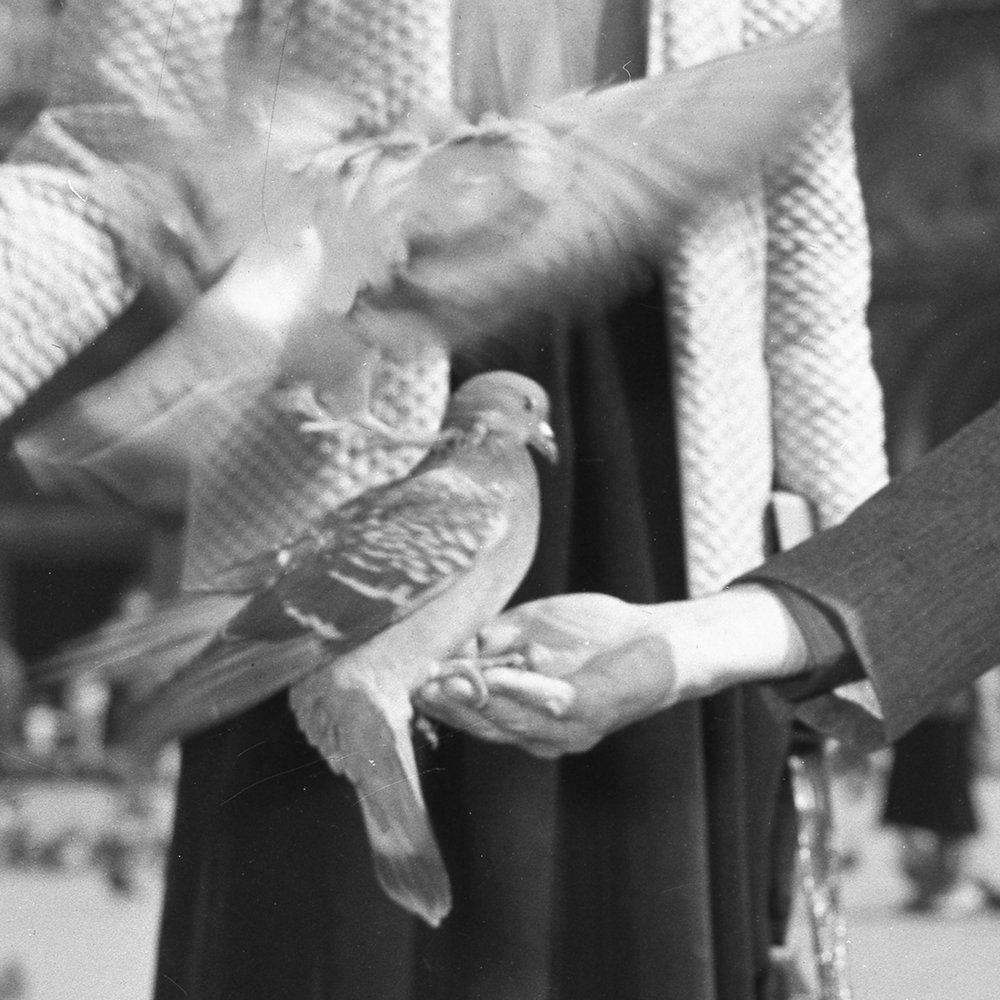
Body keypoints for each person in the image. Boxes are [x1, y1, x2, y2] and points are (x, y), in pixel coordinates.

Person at [0, 1, 886, 999]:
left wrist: (846, 590)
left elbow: (810, 265)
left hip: (669, 524)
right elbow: (102, 161)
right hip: (337, 509)